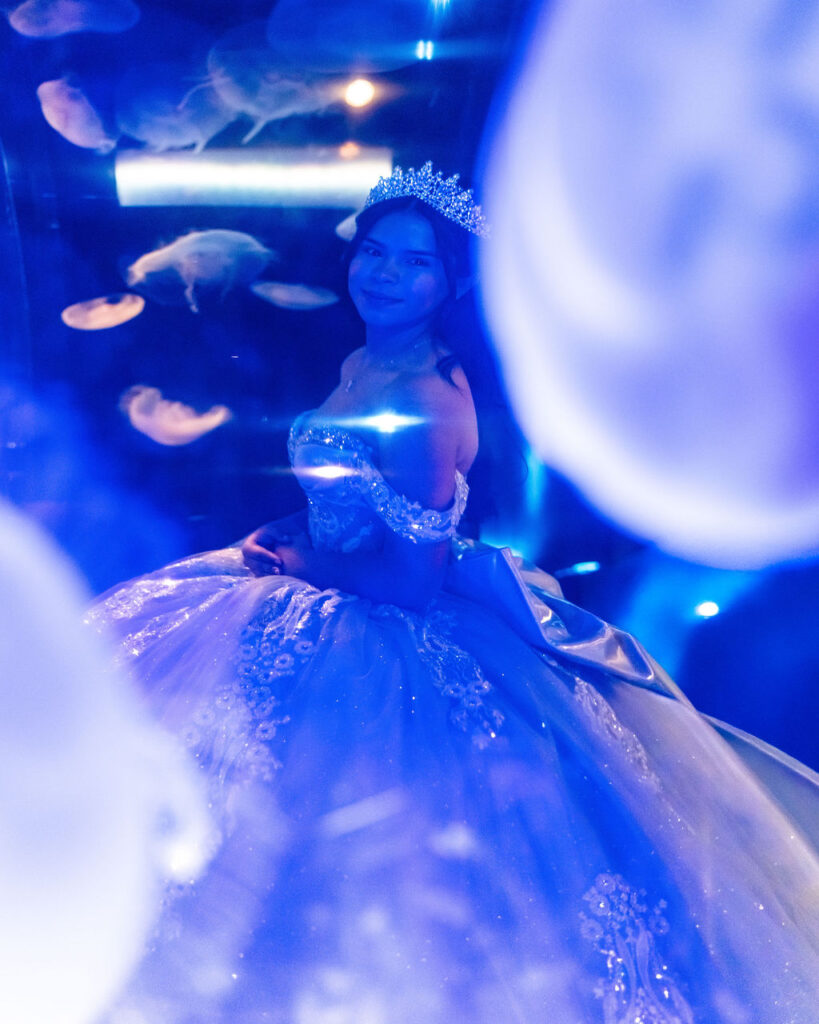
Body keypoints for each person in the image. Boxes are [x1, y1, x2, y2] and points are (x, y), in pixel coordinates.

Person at [87, 163, 819, 1024]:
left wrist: (302, 566)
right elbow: (345, 496)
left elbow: (407, 579)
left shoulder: (427, 396)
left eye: (414, 262)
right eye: (374, 252)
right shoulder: (364, 358)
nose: (383, 274)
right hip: (324, 581)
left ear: (450, 283)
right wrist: (289, 531)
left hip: (382, 619)